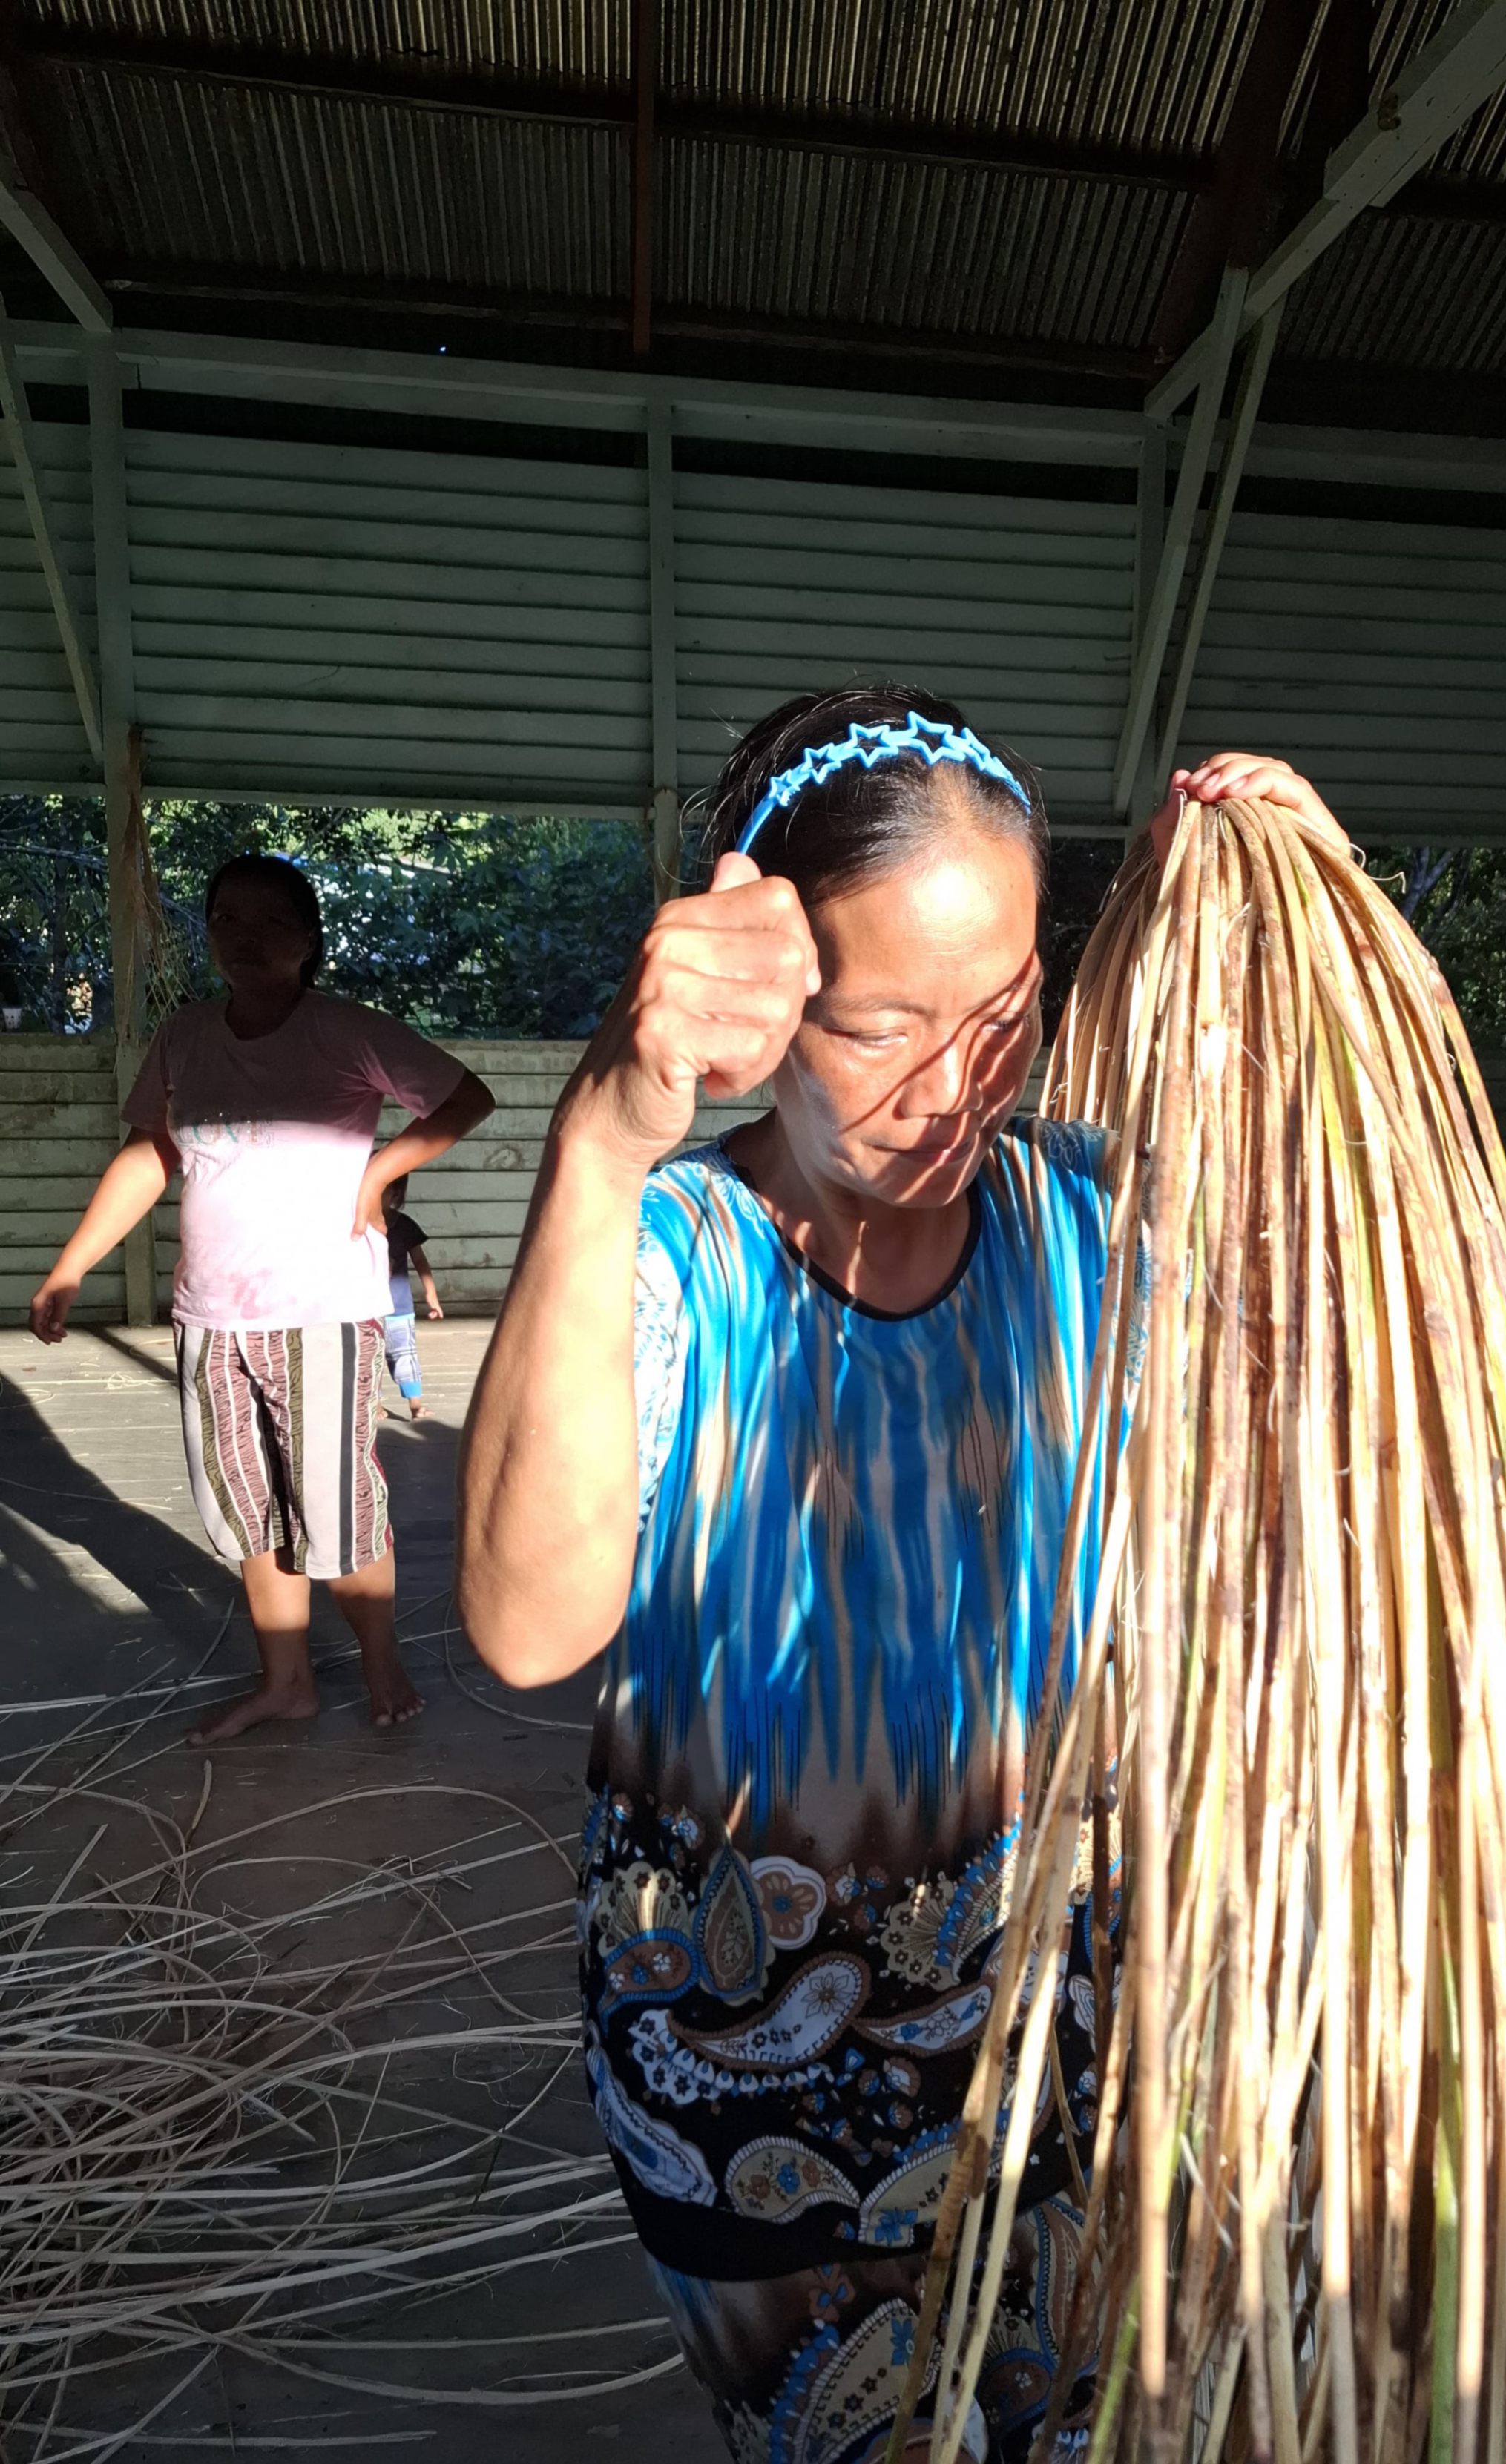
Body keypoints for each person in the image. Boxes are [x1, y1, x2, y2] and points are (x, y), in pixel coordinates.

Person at [456, 685, 1337, 2463]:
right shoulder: (674, 1255)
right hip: (748, 2085)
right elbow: (525, 1615)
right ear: (760, 995)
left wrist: (1274, 928)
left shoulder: (1090, 1226)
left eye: (1000, 1011)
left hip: (1059, 2057)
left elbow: (1324, 1373)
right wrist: (603, 1133)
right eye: (878, 1026)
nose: (953, 1087)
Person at [30, 854, 495, 1743]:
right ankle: (286, 1682)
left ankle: (379, 1659)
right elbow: (148, 1158)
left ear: (310, 941)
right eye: (227, 921)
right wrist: (70, 1265)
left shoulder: (347, 1031)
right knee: (250, 1506)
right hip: (212, 1319)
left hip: (321, 1313)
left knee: (337, 1503)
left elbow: (462, 1096)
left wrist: (384, 1170)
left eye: (271, 922)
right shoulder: (185, 1038)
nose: (246, 938)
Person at [381, 1175, 442, 1419]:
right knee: (368, 1360)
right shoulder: (358, 1224)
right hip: (365, 1308)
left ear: (395, 1195)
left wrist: (431, 1292)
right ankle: (374, 1404)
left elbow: (420, 1260)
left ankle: (415, 1404)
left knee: (406, 1355)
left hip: (399, 1306)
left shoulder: (403, 1225)